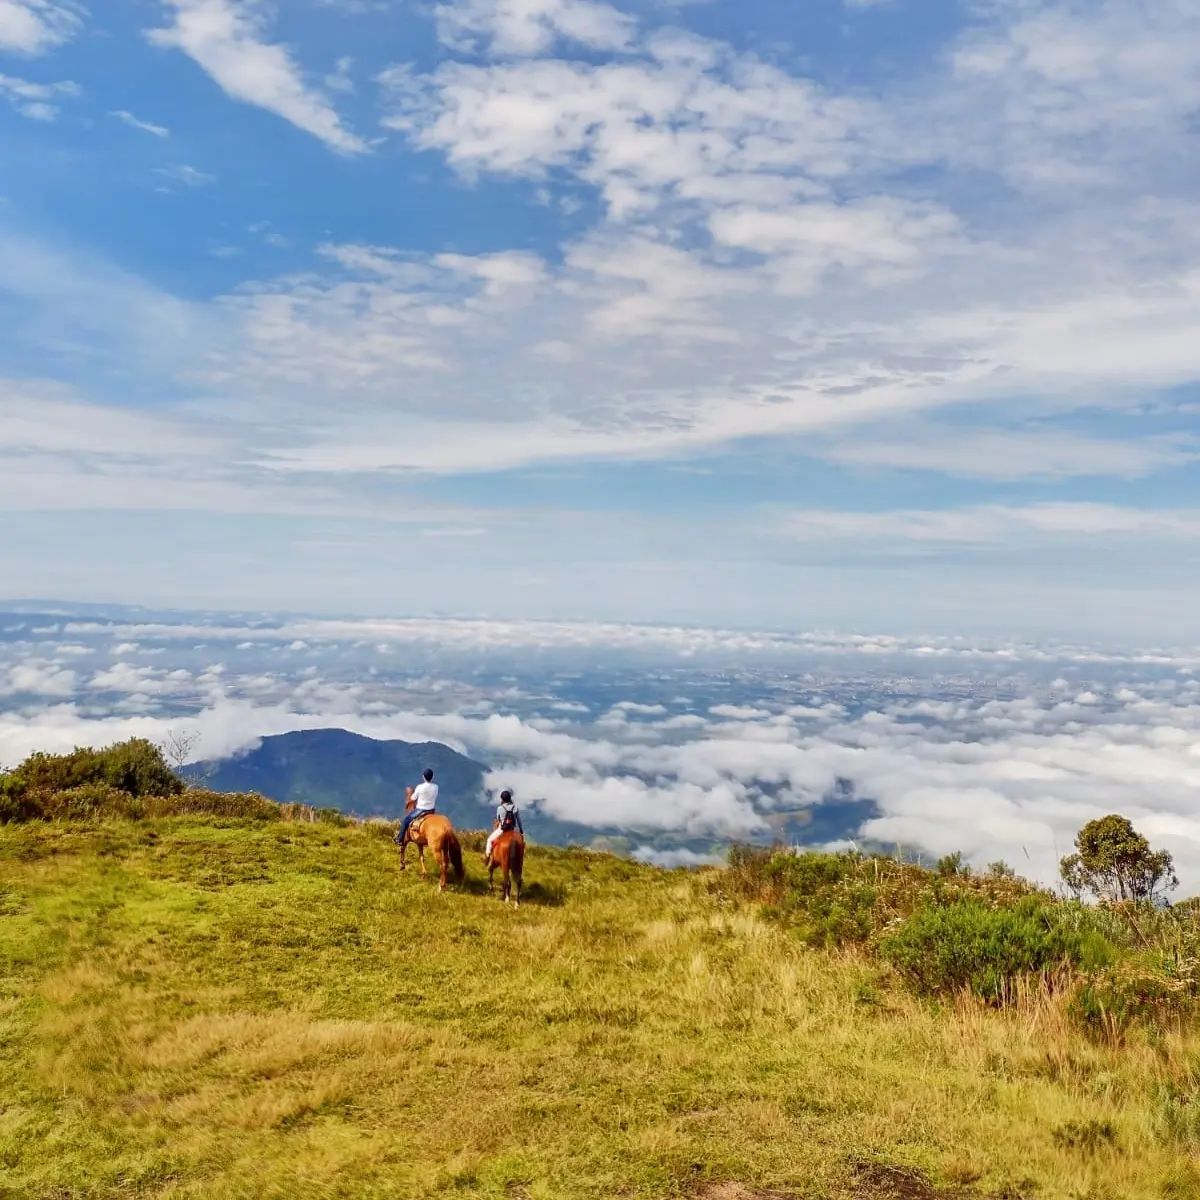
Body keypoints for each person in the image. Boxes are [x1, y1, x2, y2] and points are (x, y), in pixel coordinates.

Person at [396, 767, 438, 845]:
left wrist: (407, 803)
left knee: (405, 821)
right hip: (432, 810)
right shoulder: (436, 787)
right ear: (432, 777)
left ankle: (400, 839)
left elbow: (413, 798)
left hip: (421, 810)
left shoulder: (420, 787)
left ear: (423, 777)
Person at [484, 789, 523, 866]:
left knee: (489, 840)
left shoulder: (500, 808)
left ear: (502, 799)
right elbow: (519, 821)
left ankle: (487, 857)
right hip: (512, 830)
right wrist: (521, 831)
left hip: (502, 830)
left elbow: (498, 819)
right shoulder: (515, 808)